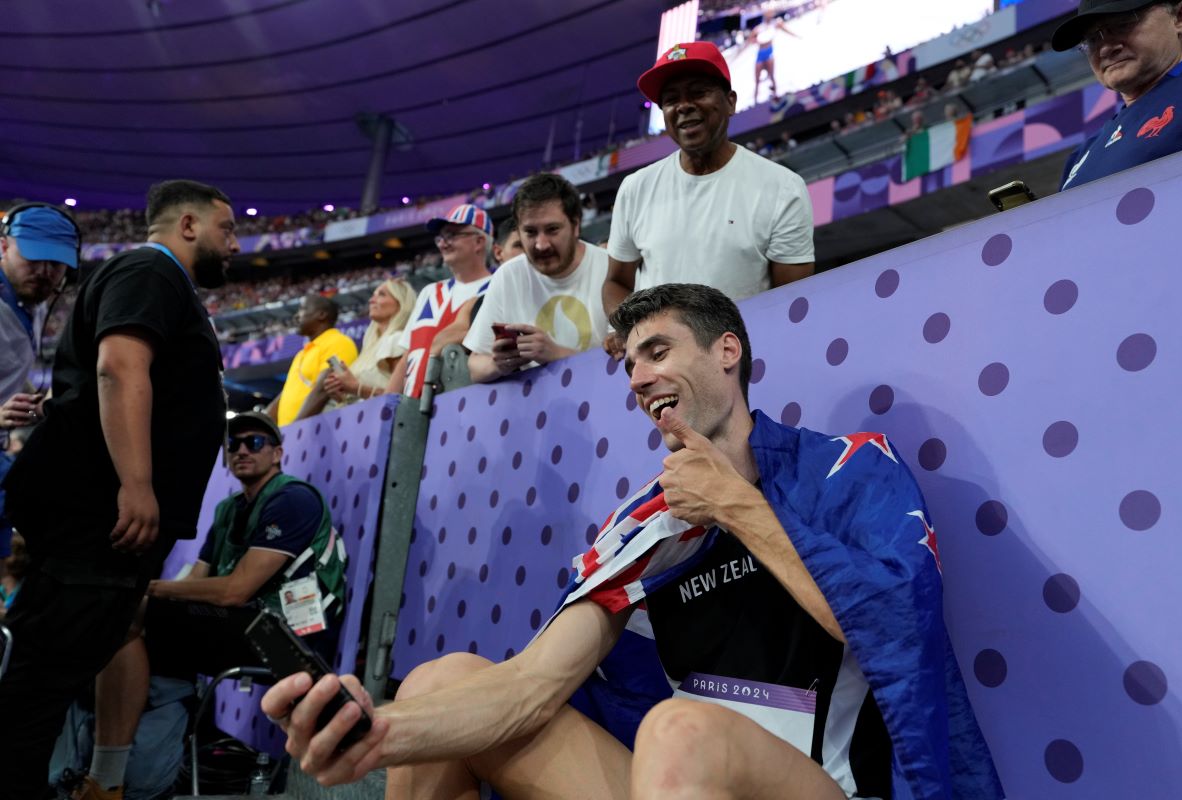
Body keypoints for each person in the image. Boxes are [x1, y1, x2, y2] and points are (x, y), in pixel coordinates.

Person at [263, 284, 1004, 800]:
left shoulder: (850, 464)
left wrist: (740, 508)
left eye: (657, 350)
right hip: (666, 776)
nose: (639, 378)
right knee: (441, 680)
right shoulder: (646, 522)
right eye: (629, 364)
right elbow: (531, 687)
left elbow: (896, 631)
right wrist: (376, 729)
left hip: (820, 784)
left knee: (681, 729)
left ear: (727, 352)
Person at [0, 179, 236, 800]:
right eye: (227, 228)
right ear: (187, 225)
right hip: (99, 513)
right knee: (41, 678)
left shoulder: (155, 280)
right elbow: (117, 366)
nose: (234, 244)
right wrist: (137, 484)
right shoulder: (148, 270)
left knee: (57, 666)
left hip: (100, 518)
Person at [72, 411, 344, 800]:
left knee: (130, 614)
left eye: (254, 442)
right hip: (248, 624)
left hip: (291, 638)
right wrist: (149, 594)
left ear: (278, 453)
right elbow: (196, 581)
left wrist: (147, 591)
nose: (241, 450)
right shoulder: (228, 509)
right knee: (131, 625)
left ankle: (110, 777)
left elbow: (236, 590)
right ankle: (140, 779)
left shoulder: (293, 498)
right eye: (233, 444)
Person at [603, 42, 815, 333]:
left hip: (741, 363)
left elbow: (793, 302)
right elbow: (616, 282)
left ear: (730, 101)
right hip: (659, 364)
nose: (683, 106)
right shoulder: (635, 188)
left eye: (699, 92)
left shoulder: (782, 188)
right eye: (670, 99)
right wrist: (626, 328)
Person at [464, 173, 609, 383]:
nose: (541, 244)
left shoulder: (609, 266)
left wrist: (556, 354)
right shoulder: (508, 275)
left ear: (576, 225)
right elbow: (475, 366)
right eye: (530, 232)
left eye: (552, 230)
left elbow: (631, 359)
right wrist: (499, 363)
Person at [1055, 0, 1182, 190]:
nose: (1105, 49)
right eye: (1092, 39)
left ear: (1180, 16)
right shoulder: (1080, 157)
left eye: (1122, 24)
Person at [383, 205, 493, 398]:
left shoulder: (496, 288)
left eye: (452, 235)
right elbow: (408, 355)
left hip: (464, 405)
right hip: (412, 410)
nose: (443, 244)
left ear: (479, 241)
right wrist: (387, 405)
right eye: (440, 238)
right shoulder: (430, 292)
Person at [0, 203, 80, 430]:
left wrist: (28, 396)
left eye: (56, 263)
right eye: (33, 259)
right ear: (3, 247)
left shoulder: (35, 302)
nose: (44, 272)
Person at [296, 279, 417, 419]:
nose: (372, 300)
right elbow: (363, 397)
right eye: (373, 294)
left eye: (382, 295)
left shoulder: (397, 340)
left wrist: (355, 387)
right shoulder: (369, 350)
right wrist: (342, 393)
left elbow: (403, 398)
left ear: (401, 304)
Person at [266, 294, 358, 426]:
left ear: (321, 315)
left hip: (313, 433)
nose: (296, 316)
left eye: (302, 309)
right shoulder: (301, 353)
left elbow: (323, 390)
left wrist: (296, 429)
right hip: (288, 435)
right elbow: (285, 395)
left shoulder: (339, 342)